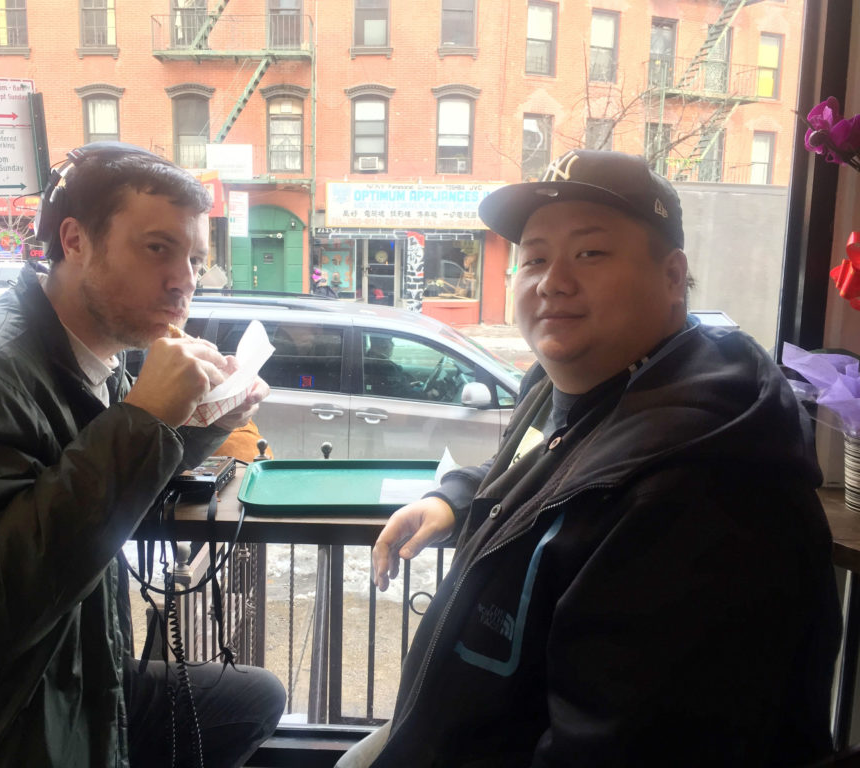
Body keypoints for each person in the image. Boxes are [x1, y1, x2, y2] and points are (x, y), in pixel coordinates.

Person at [345, 149, 842, 767]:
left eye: (590, 253)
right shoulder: (569, 386)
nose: (552, 280)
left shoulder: (701, 489)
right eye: (534, 258)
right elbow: (545, 463)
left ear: (670, 277)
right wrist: (457, 496)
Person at [0, 142, 286, 768]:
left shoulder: (84, 360)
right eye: (158, 248)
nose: (184, 279)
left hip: (67, 673)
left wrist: (199, 426)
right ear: (75, 240)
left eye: (195, 258)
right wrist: (143, 420)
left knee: (253, 699)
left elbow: (77, 499)